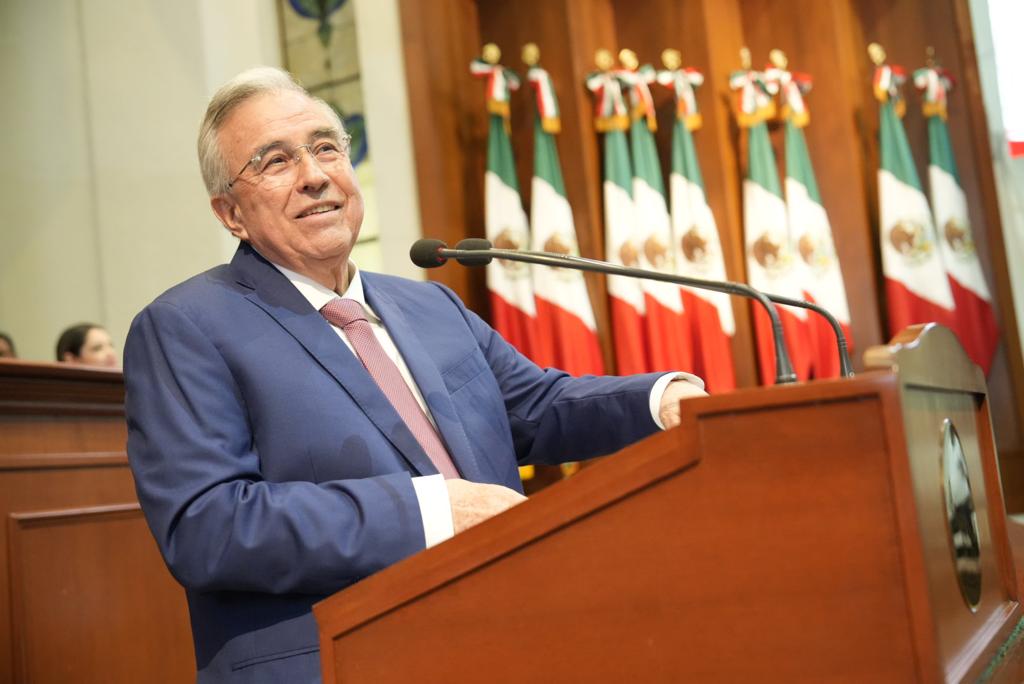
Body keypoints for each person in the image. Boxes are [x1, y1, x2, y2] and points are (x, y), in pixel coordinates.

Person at [124, 66, 706, 684]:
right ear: (230, 213)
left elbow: (536, 406)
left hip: (509, 637)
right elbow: (209, 527)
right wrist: (429, 511)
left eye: (326, 148)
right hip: (339, 660)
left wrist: (662, 400)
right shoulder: (186, 326)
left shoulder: (430, 305)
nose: (314, 175)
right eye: (276, 161)